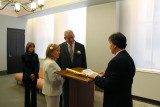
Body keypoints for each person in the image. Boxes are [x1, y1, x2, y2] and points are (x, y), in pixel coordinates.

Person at [88, 32, 135, 107]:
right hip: (126, 99)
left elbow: (108, 85)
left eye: (110, 43)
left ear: (114, 45)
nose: (109, 46)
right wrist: (107, 73)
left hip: (115, 101)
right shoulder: (128, 57)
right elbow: (121, 76)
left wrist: (95, 77)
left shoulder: (115, 61)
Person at [56, 30, 87, 107]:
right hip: (66, 76)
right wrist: (61, 74)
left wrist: (84, 74)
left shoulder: (81, 46)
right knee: (66, 96)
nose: (71, 39)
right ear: (64, 38)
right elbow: (58, 62)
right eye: (69, 38)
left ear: (74, 36)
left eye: (72, 37)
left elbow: (84, 62)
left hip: (78, 76)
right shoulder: (60, 47)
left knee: (77, 95)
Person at [21, 42, 40, 107]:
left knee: (34, 92)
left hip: (34, 76)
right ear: (27, 47)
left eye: (33, 47)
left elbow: (37, 65)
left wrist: (34, 74)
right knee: (27, 92)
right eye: (30, 47)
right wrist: (30, 74)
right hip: (27, 76)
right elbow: (24, 66)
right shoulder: (23, 56)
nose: (32, 48)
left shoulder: (36, 55)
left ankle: (34, 105)